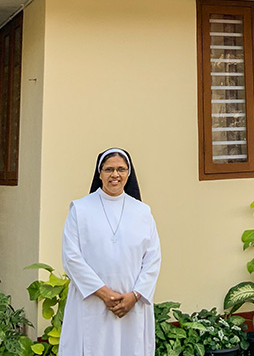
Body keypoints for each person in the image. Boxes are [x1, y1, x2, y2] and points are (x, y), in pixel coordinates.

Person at [59, 148, 162, 356]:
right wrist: (104, 294)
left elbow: (153, 259)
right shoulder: (80, 209)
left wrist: (134, 296)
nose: (115, 175)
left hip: (131, 306)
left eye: (121, 169)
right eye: (109, 169)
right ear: (100, 173)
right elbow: (71, 258)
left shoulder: (142, 212)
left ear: (128, 173)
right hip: (92, 302)